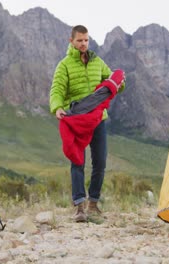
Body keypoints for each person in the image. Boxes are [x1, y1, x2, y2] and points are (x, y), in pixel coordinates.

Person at [49, 25, 124, 222]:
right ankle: (79, 207)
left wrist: (117, 83)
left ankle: (93, 204)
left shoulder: (97, 61)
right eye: (79, 40)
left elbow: (112, 81)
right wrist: (57, 107)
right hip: (76, 119)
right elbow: (57, 89)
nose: (83, 44)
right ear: (71, 41)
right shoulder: (64, 65)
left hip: (98, 119)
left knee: (100, 162)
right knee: (77, 162)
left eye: (86, 40)